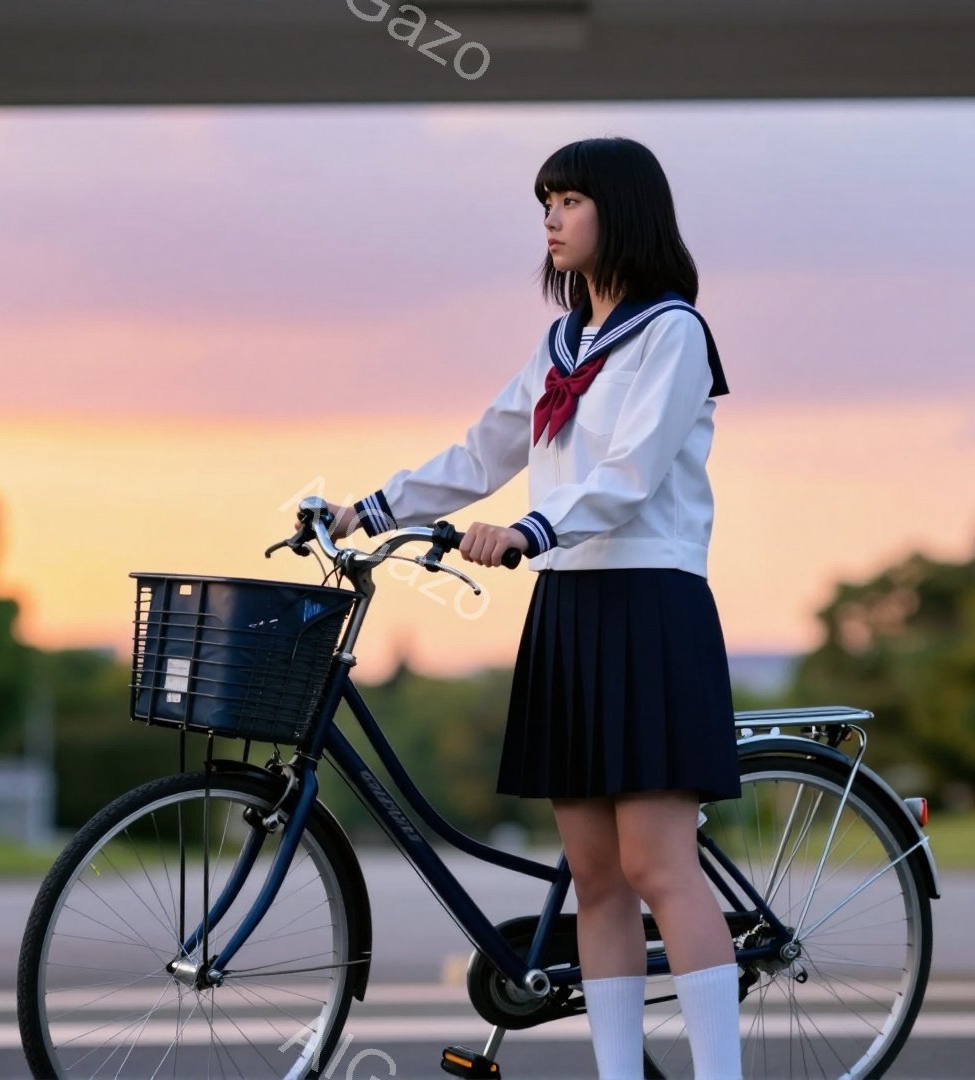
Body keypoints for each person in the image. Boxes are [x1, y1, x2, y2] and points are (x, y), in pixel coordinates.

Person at [308, 136, 744, 1079]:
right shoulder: (560, 345)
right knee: (593, 877)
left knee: (659, 865)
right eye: (545, 200)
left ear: (621, 211)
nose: (550, 217)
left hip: (648, 603)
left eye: (571, 199)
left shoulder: (673, 330)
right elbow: (483, 451)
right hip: (569, 613)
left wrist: (531, 530)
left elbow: (631, 472)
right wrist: (367, 510)